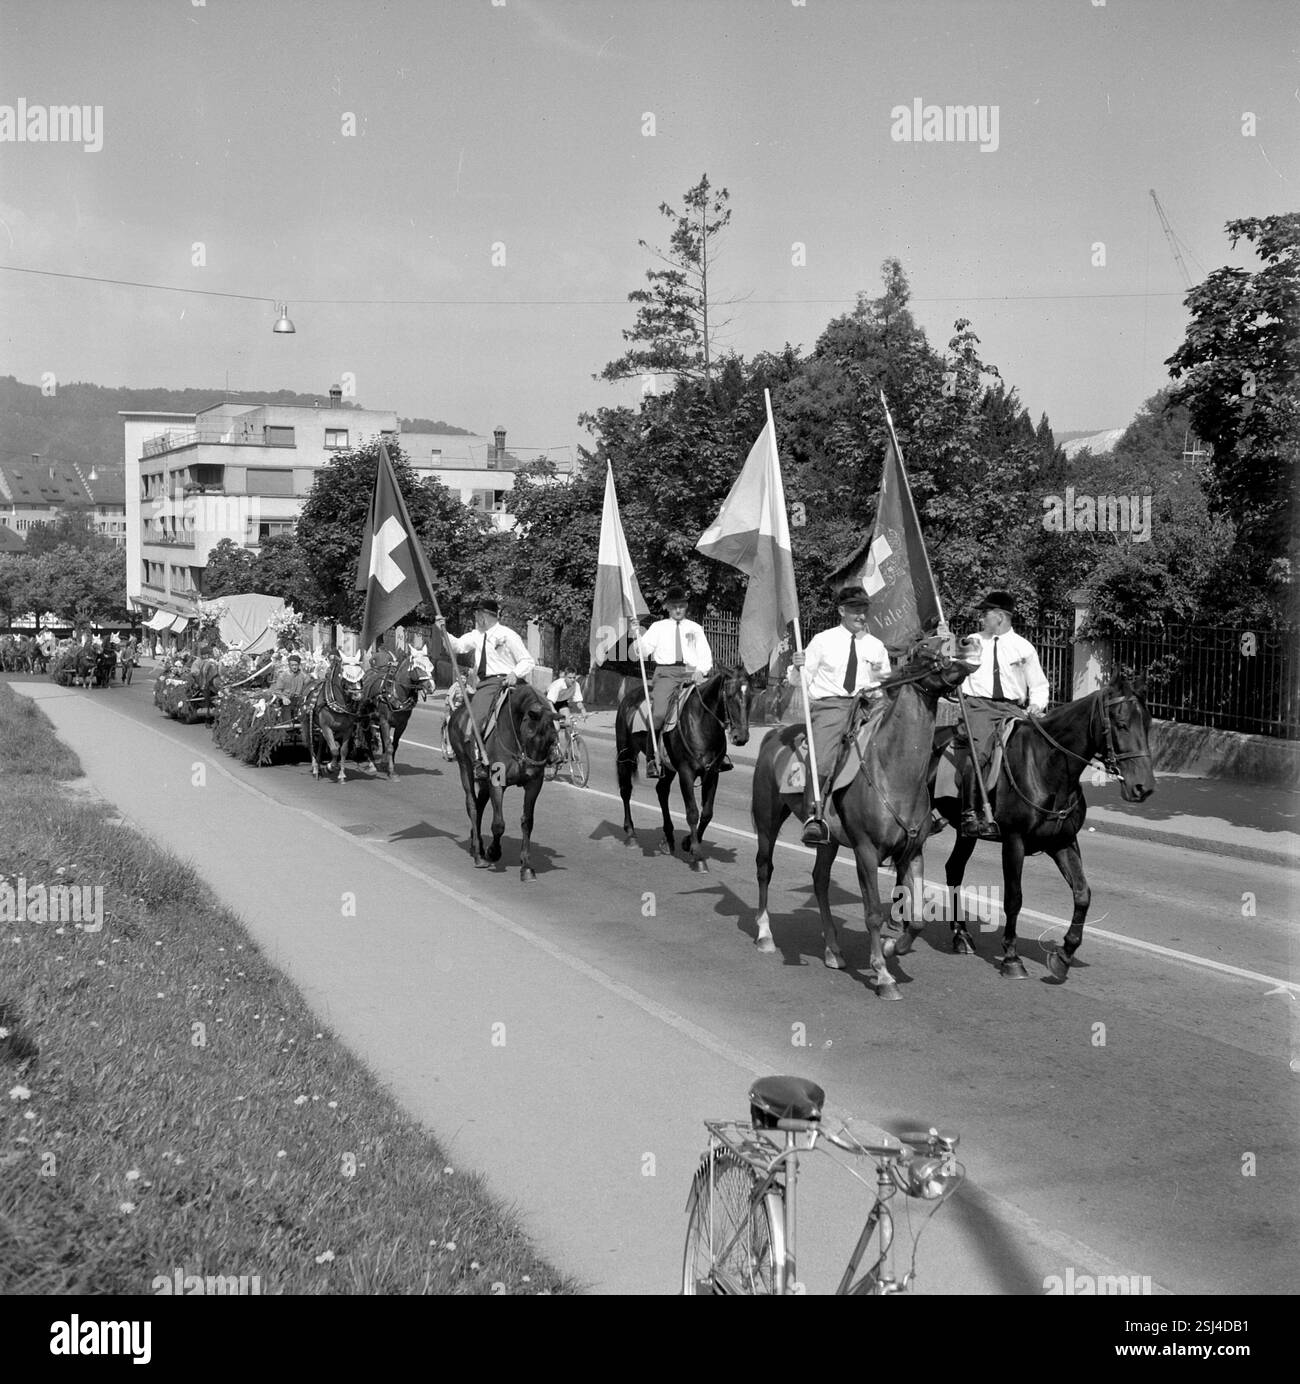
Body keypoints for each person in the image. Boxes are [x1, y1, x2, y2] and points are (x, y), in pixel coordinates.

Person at [788, 584, 892, 844]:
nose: (861, 616)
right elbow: (798, 680)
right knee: (822, 756)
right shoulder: (823, 640)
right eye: (856, 610)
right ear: (841, 611)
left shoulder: (876, 646)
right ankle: (814, 814)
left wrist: (882, 705)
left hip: (867, 707)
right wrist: (797, 667)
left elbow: (882, 682)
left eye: (864, 610)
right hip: (831, 707)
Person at [953, 590, 1049, 839]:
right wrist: (951, 650)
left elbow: (1038, 685)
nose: (981, 619)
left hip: (1012, 708)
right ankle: (969, 813)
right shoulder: (974, 641)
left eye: (985, 614)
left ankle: (1027, 805)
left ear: (1000, 617)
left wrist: (1037, 704)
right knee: (979, 752)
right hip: (980, 707)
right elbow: (958, 663)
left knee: (1031, 752)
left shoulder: (1023, 648)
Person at [628, 585, 725, 777]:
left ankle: (719, 756)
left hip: (691, 672)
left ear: (686, 606)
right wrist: (636, 635)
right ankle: (651, 758)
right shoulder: (658, 627)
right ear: (668, 607)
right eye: (674, 606)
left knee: (713, 707)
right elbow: (643, 650)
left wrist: (701, 671)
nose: (678, 609)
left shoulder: (695, 628)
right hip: (667, 673)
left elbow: (705, 655)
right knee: (659, 712)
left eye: (681, 605)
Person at [435, 598, 535, 778]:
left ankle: (548, 752)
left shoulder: (508, 635)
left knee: (540, 710)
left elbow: (527, 660)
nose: (475, 617)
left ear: (485, 616)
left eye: (477, 614)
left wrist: (515, 674)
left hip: (512, 681)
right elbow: (457, 646)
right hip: (488, 684)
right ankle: (478, 761)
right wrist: (443, 631)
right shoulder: (476, 635)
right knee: (475, 718)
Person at [546, 667, 585, 761]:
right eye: (570, 677)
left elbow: (578, 701)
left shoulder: (576, 685)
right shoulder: (558, 684)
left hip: (562, 702)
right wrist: (554, 713)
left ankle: (569, 749)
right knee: (557, 728)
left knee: (569, 723)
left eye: (574, 678)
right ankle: (553, 749)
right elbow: (549, 701)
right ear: (565, 677)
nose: (572, 680)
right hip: (550, 703)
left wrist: (583, 710)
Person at [271, 652, 312, 721]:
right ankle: (288, 727)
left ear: (299, 665)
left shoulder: (303, 676)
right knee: (287, 708)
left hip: (300, 700)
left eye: (296, 665)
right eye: (292, 665)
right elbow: (277, 690)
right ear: (289, 665)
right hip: (287, 699)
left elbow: (310, 686)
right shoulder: (283, 676)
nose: (294, 667)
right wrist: (283, 698)